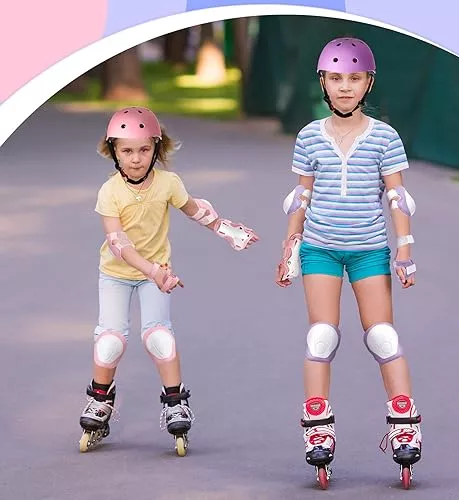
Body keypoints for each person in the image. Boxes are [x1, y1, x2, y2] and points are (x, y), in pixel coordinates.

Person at [275, 38, 422, 487]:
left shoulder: (384, 136)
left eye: (354, 79)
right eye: (336, 78)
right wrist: (290, 245)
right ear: (323, 82)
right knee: (321, 336)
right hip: (320, 245)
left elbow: (396, 195)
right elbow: (302, 194)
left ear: (367, 82)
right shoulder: (308, 136)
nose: (344, 87)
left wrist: (405, 249)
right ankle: (317, 425)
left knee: (381, 336)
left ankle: (403, 421)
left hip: (369, 249)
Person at [78, 106, 259, 453]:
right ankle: (100, 400)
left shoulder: (168, 184)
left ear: (156, 149)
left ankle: (175, 401)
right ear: (113, 151)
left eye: (144, 150)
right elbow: (119, 245)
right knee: (110, 340)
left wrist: (226, 229)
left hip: (155, 275)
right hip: (118, 274)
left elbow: (195, 210)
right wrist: (154, 272)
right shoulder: (109, 192)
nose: (135, 159)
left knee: (158, 336)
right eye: (127, 151)